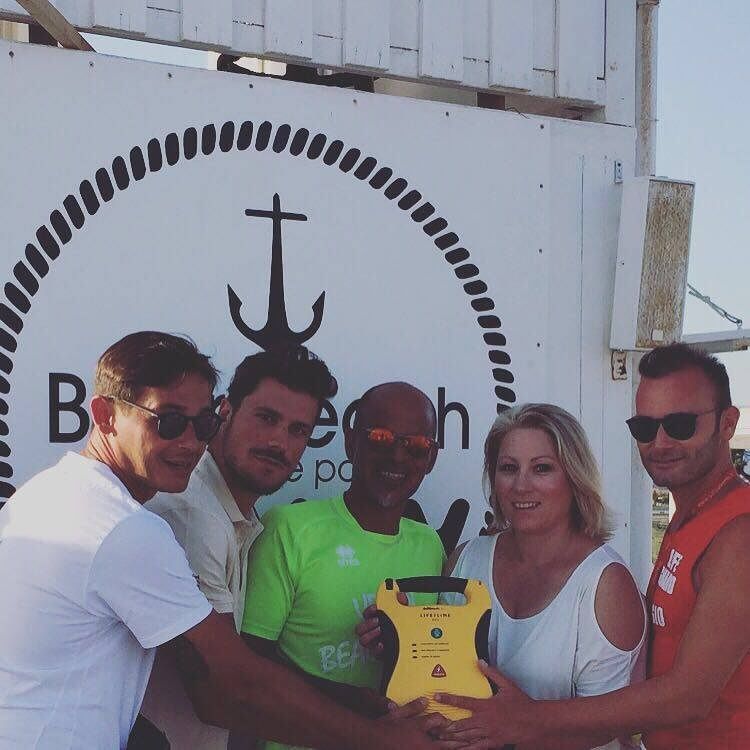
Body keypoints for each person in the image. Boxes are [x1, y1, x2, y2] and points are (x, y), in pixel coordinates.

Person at [0, 331, 444, 750]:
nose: (188, 441)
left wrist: (368, 705)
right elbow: (230, 689)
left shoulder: (53, 491)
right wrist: (382, 737)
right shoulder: (155, 521)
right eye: (169, 422)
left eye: (200, 423)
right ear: (105, 416)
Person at [437, 343, 750, 750]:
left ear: (728, 423)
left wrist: (528, 719)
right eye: (644, 428)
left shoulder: (739, 532)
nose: (659, 442)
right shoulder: (694, 516)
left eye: (680, 424)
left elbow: (690, 696)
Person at [359, 402, 647, 750]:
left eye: (541, 468)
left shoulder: (606, 584)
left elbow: (608, 727)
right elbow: (440, 672)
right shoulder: (467, 558)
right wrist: (400, 641)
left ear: (574, 477)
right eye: (509, 468)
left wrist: (519, 724)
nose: (521, 485)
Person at [141, 346, 337, 750]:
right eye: (266, 418)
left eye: (298, 430)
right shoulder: (194, 514)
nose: (278, 442)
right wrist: (379, 736)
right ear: (225, 411)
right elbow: (225, 693)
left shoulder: (228, 511)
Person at [241, 381, 447, 750]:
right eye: (380, 438)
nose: (397, 457)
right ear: (351, 442)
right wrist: (353, 701)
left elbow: (436, 664)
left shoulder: (430, 545)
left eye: (416, 446)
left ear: (431, 459)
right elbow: (249, 664)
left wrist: (403, 641)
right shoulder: (289, 528)